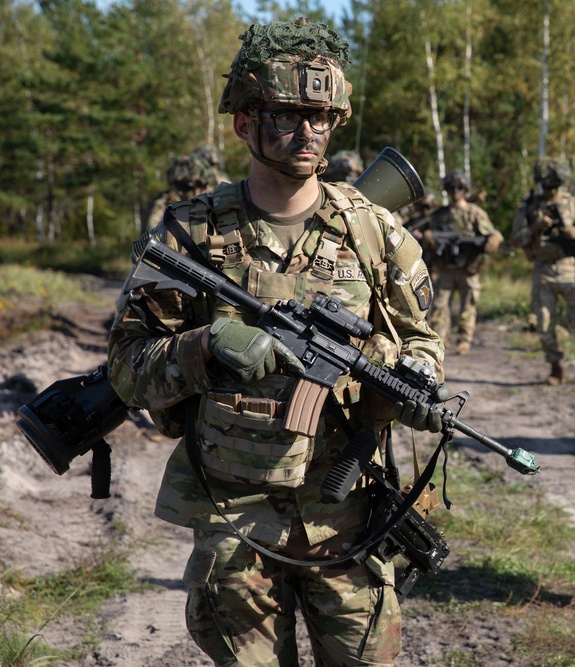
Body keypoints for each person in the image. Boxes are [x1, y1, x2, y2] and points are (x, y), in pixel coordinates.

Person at [107, 17, 444, 666]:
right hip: (235, 520)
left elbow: (421, 339)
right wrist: (205, 345)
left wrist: (417, 385)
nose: (309, 131)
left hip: (349, 516)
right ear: (243, 123)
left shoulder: (376, 232)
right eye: (289, 113)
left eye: (322, 116)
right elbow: (125, 369)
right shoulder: (193, 234)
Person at [510, 159, 575, 386]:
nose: (550, 188)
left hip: (571, 269)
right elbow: (515, 240)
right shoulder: (528, 208)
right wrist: (536, 228)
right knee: (544, 324)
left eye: (554, 183)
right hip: (543, 270)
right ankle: (556, 369)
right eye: (547, 183)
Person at [421, 169, 502, 355]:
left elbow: (494, 234)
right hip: (445, 269)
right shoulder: (440, 215)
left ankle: (464, 340)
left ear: (465, 188)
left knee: (468, 307)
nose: (455, 190)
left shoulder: (475, 213)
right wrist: (429, 238)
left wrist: (494, 239)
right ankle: (439, 341)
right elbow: (424, 232)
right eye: (451, 187)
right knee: (439, 308)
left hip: (469, 269)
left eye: (459, 187)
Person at [145, 151, 215, 229]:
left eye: (187, 187)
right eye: (179, 186)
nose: (181, 192)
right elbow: (152, 231)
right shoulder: (165, 205)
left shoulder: (211, 204)